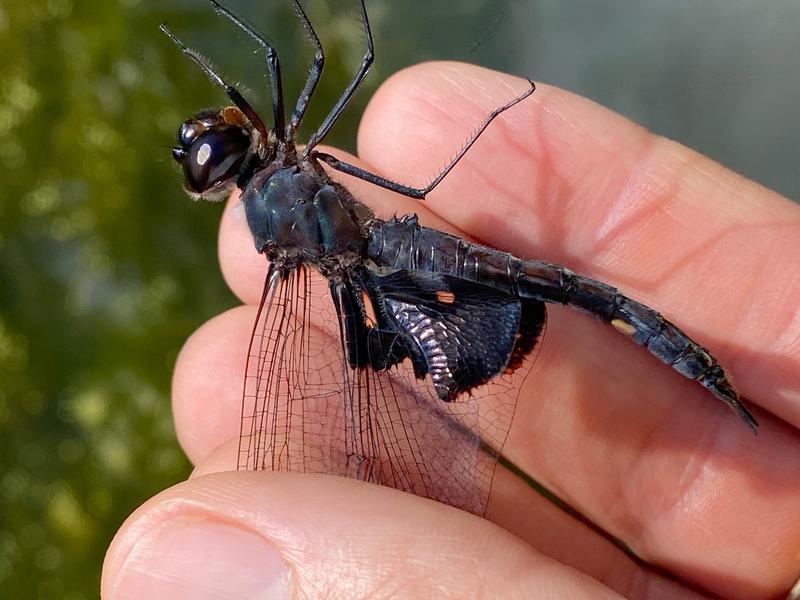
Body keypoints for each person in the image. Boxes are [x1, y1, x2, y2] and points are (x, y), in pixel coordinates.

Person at [101, 62, 800, 599]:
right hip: (384, 262)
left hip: (384, 258)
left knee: (575, 290)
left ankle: (707, 377)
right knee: (571, 291)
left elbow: (293, 63)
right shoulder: (287, 169)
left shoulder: (276, 187)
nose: (208, 135)